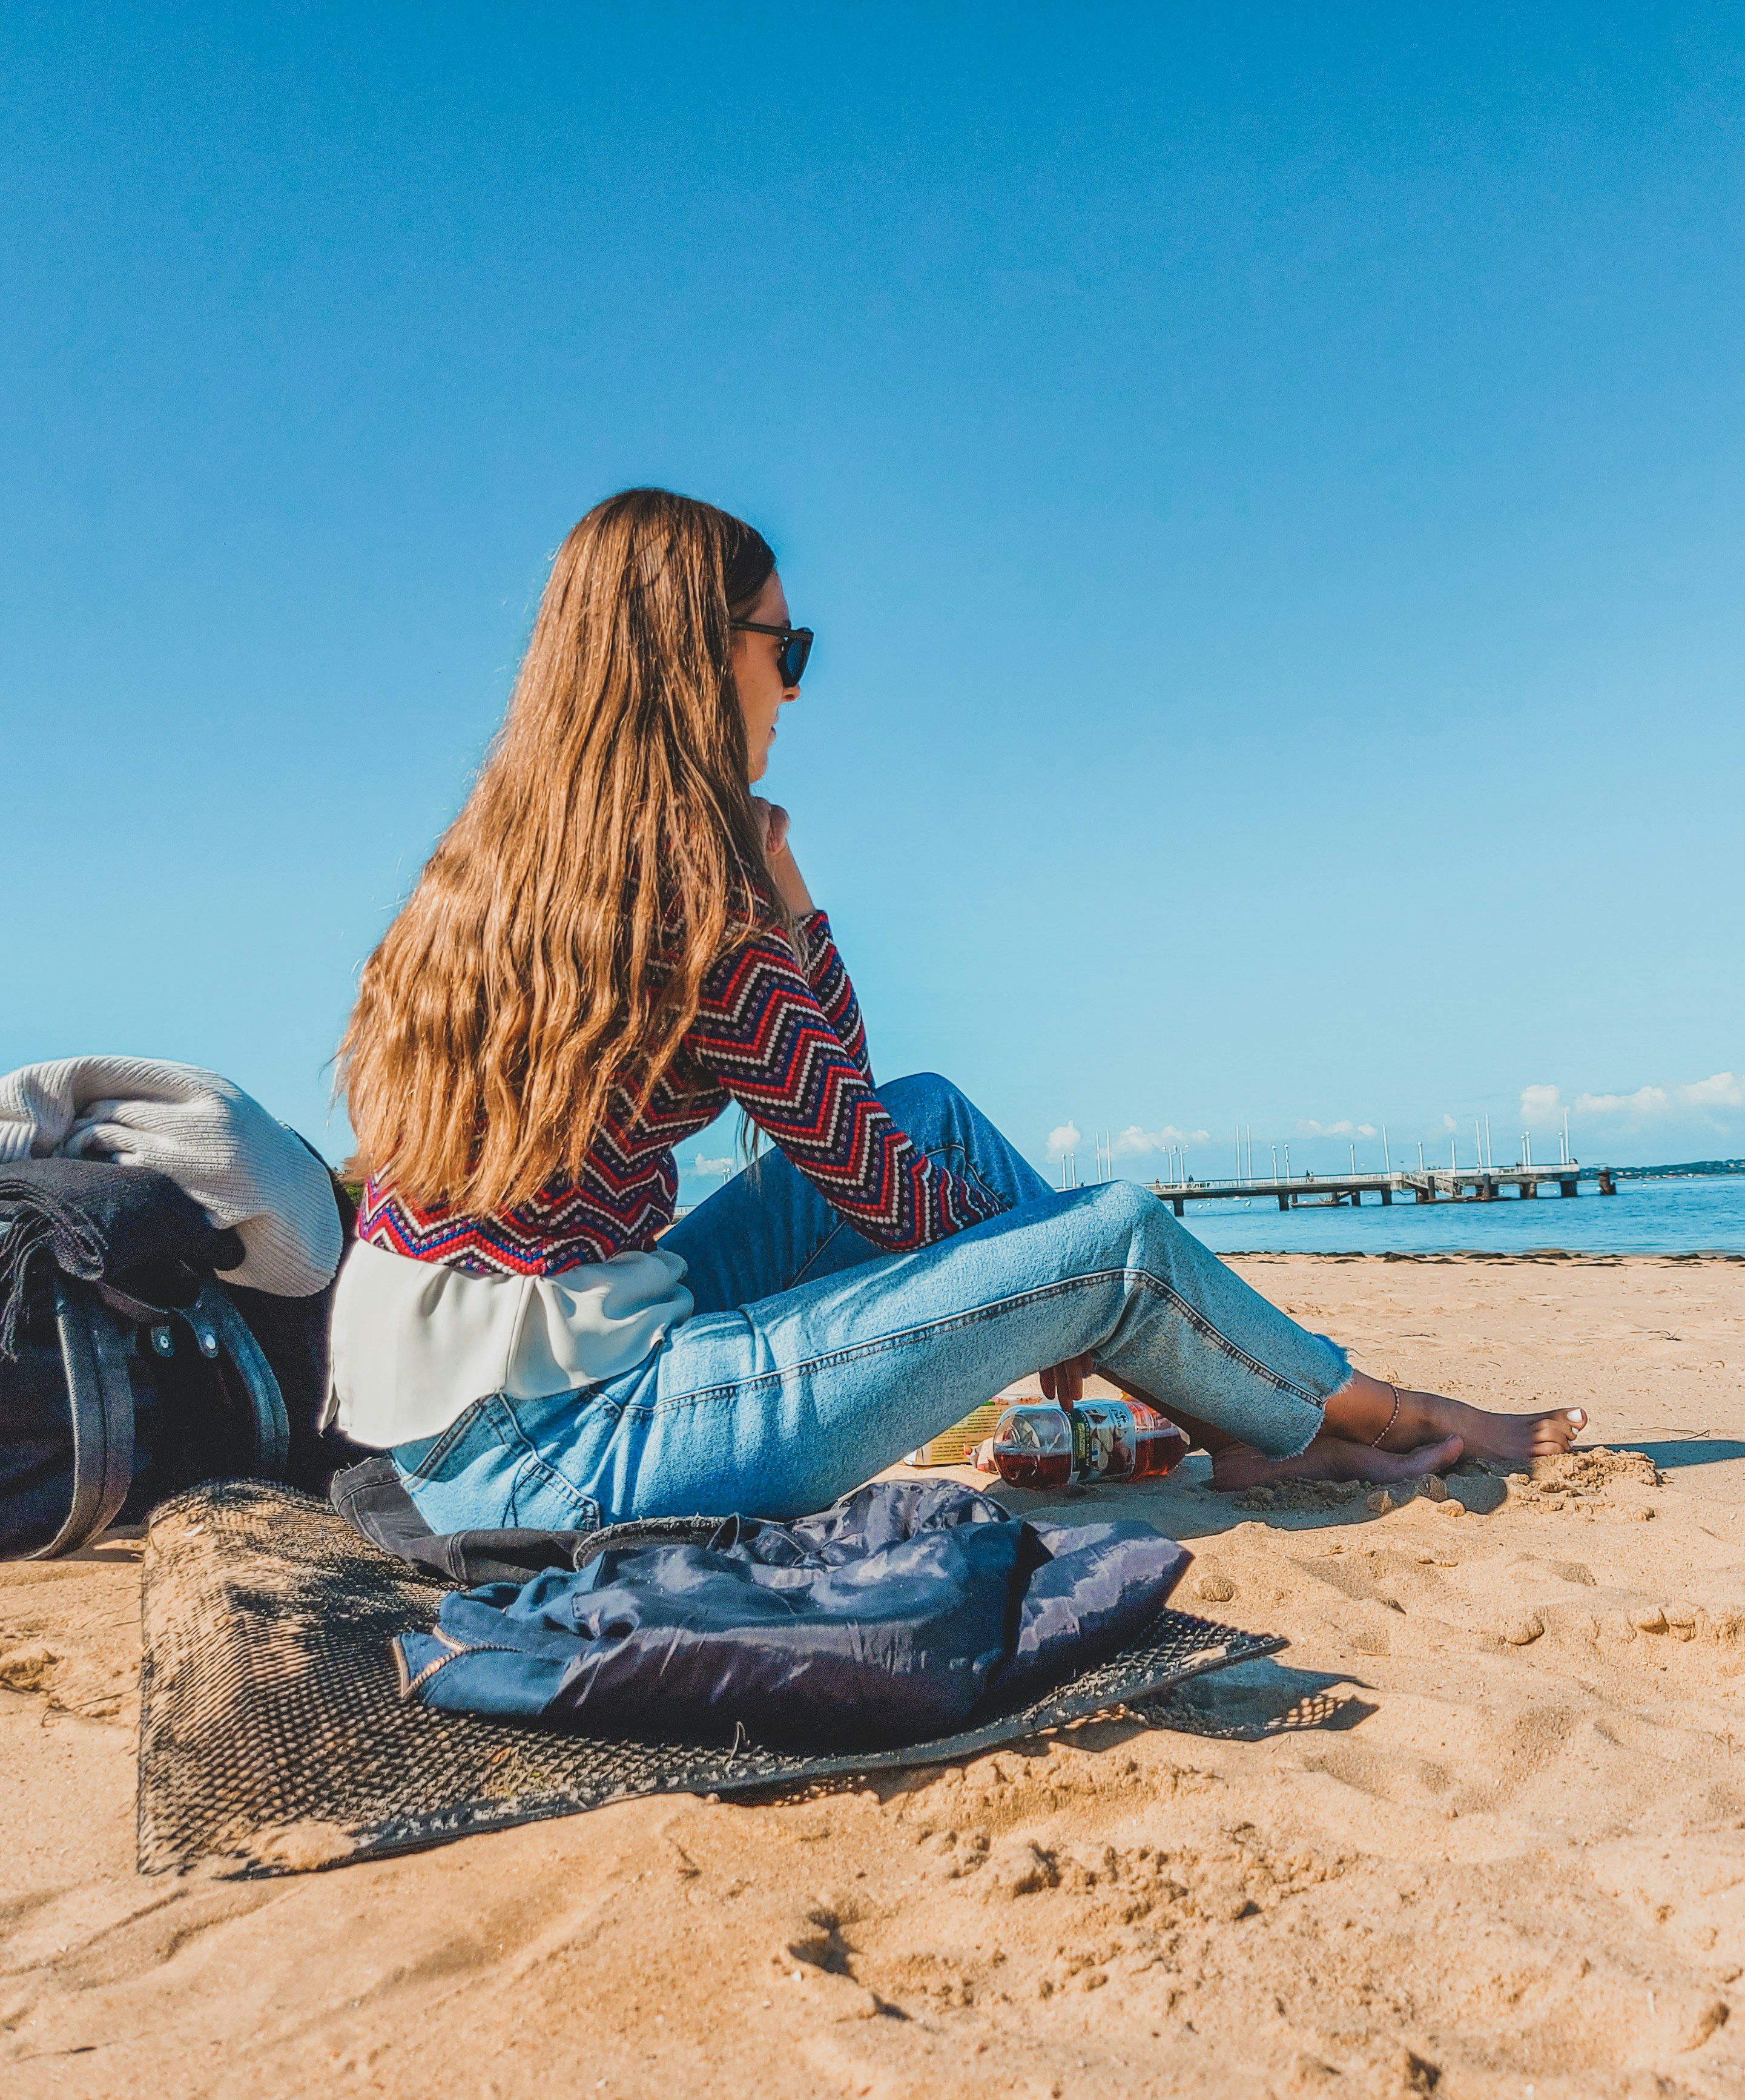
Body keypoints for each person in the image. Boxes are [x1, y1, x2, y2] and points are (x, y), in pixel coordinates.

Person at [329, 488, 1583, 1534]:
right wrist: (1050, 1290)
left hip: (458, 1416)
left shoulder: (500, 868)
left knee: (938, 1120)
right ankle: (1372, 1411)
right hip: (569, 1455)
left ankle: (1242, 1422)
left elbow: (864, 1115)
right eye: (787, 649)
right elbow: (876, 1185)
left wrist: (1015, 1288)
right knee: (1113, 1243)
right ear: (702, 655)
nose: (795, 690)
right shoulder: (689, 900)